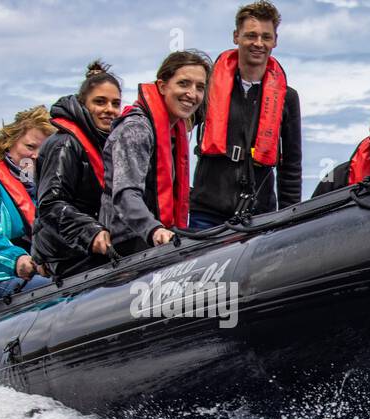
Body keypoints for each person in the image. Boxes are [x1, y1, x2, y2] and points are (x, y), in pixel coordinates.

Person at [190, 1, 302, 230]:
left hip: (260, 214)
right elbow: (176, 133)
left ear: (275, 40)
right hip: (206, 212)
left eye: (266, 37)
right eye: (251, 35)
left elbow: (291, 165)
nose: (258, 43)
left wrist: (291, 217)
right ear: (236, 36)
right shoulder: (208, 88)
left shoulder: (287, 97)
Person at [101, 51, 210, 256]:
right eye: (184, 84)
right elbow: (125, 194)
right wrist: (154, 229)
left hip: (160, 238)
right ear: (162, 86)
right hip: (129, 243)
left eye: (200, 87)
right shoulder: (135, 129)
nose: (192, 94)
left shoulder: (173, 132)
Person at [33, 61, 123, 278]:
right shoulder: (64, 144)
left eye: (115, 103)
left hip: (93, 249)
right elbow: (51, 204)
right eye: (100, 102)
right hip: (66, 255)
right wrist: (91, 233)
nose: (109, 110)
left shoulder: (106, 142)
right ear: (83, 103)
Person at [0, 106, 56, 305]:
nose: (36, 155)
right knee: (53, 294)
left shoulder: (38, 188)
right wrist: (18, 260)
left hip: (24, 277)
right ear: (8, 143)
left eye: (43, 149)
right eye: (30, 147)